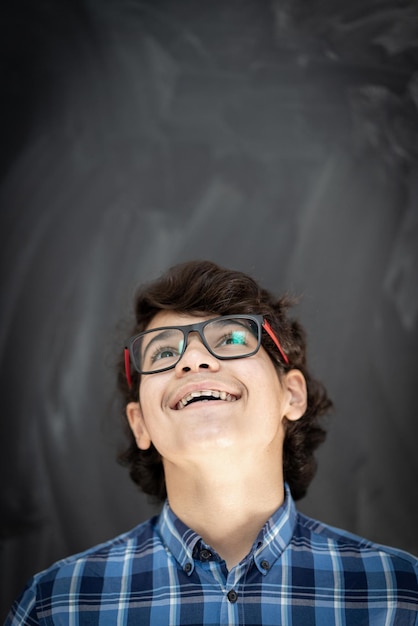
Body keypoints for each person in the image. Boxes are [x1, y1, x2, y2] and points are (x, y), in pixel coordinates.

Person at [5, 260, 418, 625]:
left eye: (233, 340)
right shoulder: (59, 606)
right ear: (140, 423)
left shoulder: (400, 596)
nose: (193, 360)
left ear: (291, 395)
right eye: (163, 353)